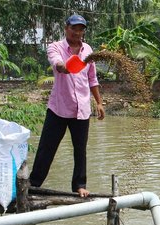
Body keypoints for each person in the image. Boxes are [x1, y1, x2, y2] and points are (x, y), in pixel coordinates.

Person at [30, 14, 105, 198]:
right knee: (47, 147)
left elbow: (92, 79)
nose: (77, 32)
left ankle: (79, 185)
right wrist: (66, 65)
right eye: (74, 28)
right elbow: (58, 64)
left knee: (80, 149)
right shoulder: (55, 47)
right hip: (59, 108)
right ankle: (33, 184)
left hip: (81, 110)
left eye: (81, 29)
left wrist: (99, 102)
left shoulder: (88, 50)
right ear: (66, 29)